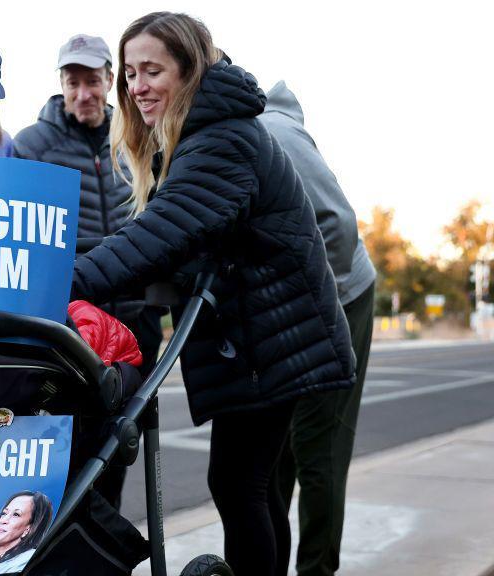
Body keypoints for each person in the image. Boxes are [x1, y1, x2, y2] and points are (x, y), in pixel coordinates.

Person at [70, 12, 356, 576]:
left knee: (238, 482)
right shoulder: (201, 135)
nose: (137, 86)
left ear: (190, 70)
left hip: (273, 338)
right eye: (129, 74)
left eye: (152, 70)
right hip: (262, 337)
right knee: (254, 484)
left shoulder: (222, 139)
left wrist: (56, 283)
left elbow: (160, 233)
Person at [13, 33, 165, 510]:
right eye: (73, 82)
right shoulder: (31, 145)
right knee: (69, 451)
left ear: (109, 82)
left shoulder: (137, 134)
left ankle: (105, 551)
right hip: (73, 324)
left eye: (93, 82)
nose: (84, 94)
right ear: (61, 84)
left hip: (134, 321)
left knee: (120, 445)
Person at [260, 81, 377, 576]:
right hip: (287, 312)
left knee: (319, 450)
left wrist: (304, 309)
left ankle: (316, 571)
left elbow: (338, 227)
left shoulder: (269, 132)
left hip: (341, 298)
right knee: (272, 452)